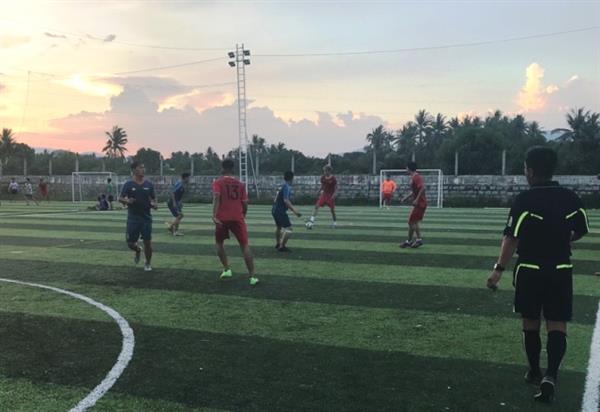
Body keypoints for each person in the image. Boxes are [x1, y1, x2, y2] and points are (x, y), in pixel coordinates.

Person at [487, 146, 589, 403]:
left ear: (530, 171)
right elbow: (581, 229)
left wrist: (498, 270)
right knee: (557, 322)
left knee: (530, 321)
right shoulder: (570, 197)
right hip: (561, 269)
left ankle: (534, 371)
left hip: (530, 269)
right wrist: (564, 238)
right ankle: (551, 375)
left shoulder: (525, 199)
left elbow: (511, 238)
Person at [212, 159, 258, 286]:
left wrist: (214, 215)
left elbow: (216, 197)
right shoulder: (240, 184)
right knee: (244, 246)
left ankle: (227, 269)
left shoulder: (218, 182)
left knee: (219, 243)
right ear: (233, 169)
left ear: (222, 168)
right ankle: (252, 276)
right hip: (237, 217)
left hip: (222, 218)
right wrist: (243, 214)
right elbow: (245, 203)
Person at [119, 161, 157, 272]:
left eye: (143, 167)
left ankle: (148, 263)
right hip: (133, 218)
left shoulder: (149, 184)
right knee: (130, 243)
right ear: (134, 170)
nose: (143, 170)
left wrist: (154, 204)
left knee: (147, 242)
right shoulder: (128, 184)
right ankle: (137, 250)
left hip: (146, 218)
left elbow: (154, 198)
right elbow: (120, 198)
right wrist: (127, 201)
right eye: (140, 168)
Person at [272, 171, 302, 251]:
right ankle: (282, 246)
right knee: (289, 228)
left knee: (279, 227)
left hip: (274, 209)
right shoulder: (287, 187)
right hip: (280, 210)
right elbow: (286, 200)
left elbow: (277, 199)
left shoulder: (282, 186)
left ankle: (278, 243)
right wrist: (295, 211)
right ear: (291, 178)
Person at [400, 162, 427, 248]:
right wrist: (406, 198)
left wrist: (416, 199)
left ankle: (419, 240)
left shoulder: (416, 177)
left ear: (409, 168)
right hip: (419, 203)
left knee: (412, 222)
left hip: (420, 203)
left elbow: (422, 188)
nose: (405, 169)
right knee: (412, 222)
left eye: (406, 167)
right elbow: (414, 191)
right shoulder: (414, 177)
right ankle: (409, 241)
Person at [167, 172, 191, 236]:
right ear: (185, 178)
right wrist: (174, 203)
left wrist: (180, 202)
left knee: (179, 216)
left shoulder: (182, 184)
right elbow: (172, 192)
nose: (189, 179)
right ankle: (171, 227)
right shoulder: (179, 183)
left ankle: (174, 230)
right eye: (188, 178)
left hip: (176, 202)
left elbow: (179, 195)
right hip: (172, 202)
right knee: (180, 215)